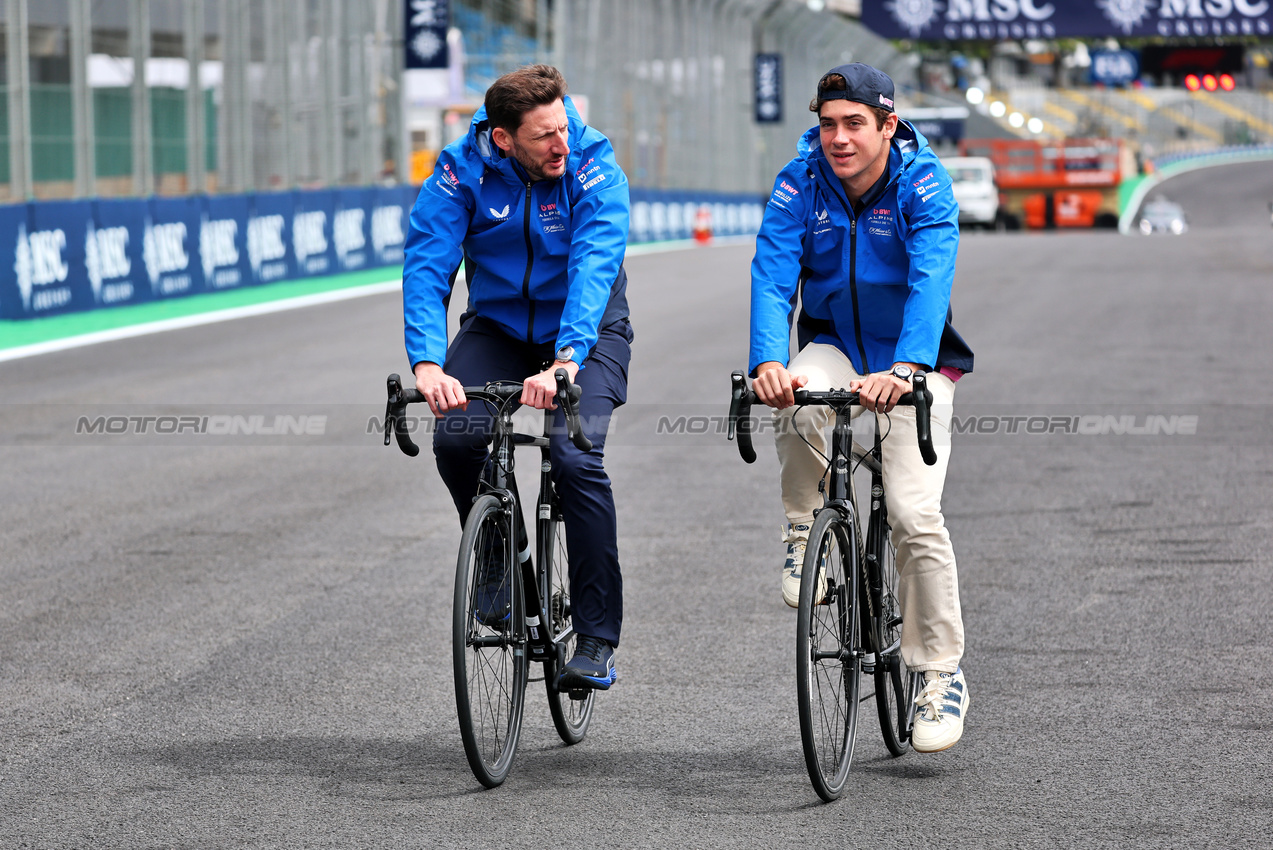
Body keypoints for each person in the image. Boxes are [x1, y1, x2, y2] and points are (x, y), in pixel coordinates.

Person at [748, 64, 975, 753]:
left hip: (914, 361)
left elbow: (931, 278)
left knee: (913, 514)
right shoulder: (799, 180)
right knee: (795, 394)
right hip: (837, 346)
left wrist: (906, 368)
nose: (838, 138)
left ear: (887, 124)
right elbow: (772, 272)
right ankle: (802, 533)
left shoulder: (923, 181)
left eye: (854, 124)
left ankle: (939, 673)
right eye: (827, 125)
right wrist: (767, 360)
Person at [402, 64, 632, 692]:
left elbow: (594, 264)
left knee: (575, 457)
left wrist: (566, 359)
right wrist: (427, 363)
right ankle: (498, 562)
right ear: (502, 139)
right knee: (456, 438)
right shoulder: (460, 170)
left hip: (588, 332)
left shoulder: (592, 162)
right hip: (499, 327)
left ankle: (595, 636)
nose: (561, 144)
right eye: (543, 136)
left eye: (563, 127)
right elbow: (428, 266)